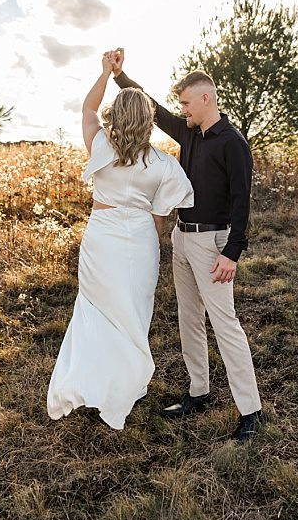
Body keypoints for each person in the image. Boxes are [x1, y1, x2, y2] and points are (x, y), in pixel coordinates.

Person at [107, 48, 264, 441]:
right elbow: (153, 108)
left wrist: (232, 253)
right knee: (188, 318)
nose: (183, 110)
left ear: (206, 98)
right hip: (182, 237)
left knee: (225, 324)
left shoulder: (233, 144)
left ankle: (251, 410)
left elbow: (243, 202)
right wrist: (120, 76)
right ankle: (199, 391)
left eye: (188, 103)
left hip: (214, 244)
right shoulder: (190, 133)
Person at [47, 54, 194, 429]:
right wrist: (146, 244)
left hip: (102, 238)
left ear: (116, 117)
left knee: (96, 311)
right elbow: (160, 218)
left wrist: (105, 72)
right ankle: (122, 385)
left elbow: (87, 108)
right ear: (147, 121)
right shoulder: (163, 164)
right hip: (140, 241)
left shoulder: (100, 147)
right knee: (132, 315)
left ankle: (92, 382)